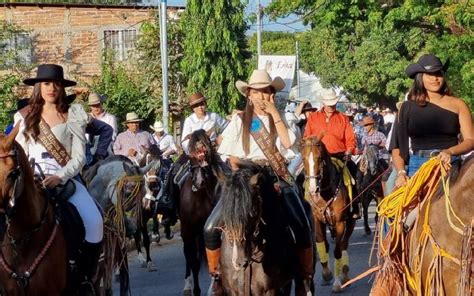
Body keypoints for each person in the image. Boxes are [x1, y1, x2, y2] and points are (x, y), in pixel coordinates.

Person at [204, 70, 314, 294]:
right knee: (209, 228)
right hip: (243, 181)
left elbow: (288, 143)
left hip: (274, 177)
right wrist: (243, 165)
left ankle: (304, 276)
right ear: (249, 95)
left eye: (266, 91)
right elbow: (228, 156)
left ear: (272, 94)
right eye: (257, 91)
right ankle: (217, 277)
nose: (261, 96)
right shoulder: (240, 120)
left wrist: (274, 113)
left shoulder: (279, 118)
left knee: (301, 223)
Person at [13, 64, 103, 292]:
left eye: (56, 83)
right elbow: (19, 153)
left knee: (95, 222)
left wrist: (59, 177)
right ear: (37, 87)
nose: (51, 88)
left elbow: (79, 157)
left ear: (62, 87)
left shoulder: (73, 114)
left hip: (64, 179)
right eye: (46, 83)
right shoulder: (23, 116)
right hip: (29, 180)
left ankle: (85, 279)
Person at [390, 53, 473, 190]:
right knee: (396, 205)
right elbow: (397, 146)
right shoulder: (406, 107)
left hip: (451, 164)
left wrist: (450, 151)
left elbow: (470, 140)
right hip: (418, 165)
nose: (435, 78)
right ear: (420, 77)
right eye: (429, 74)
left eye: (438, 74)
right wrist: (401, 172)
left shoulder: (459, 104)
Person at [160, 92, 227, 227]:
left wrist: (220, 140)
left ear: (205, 104)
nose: (200, 107)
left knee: (229, 172)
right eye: (196, 106)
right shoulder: (190, 120)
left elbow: (227, 127)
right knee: (174, 173)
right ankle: (169, 208)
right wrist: (194, 151)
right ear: (193, 108)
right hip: (193, 154)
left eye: (202, 104)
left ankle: (231, 205)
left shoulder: (214, 117)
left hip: (212, 152)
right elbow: (185, 141)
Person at [303, 89, 360, 219]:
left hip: (338, 155)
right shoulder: (313, 117)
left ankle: (355, 205)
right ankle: (304, 208)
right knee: (302, 179)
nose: (331, 106)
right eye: (329, 103)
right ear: (323, 103)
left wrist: (349, 150)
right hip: (317, 157)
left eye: (333, 103)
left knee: (355, 173)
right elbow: (307, 136)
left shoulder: (343, 118)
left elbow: (350, 138)